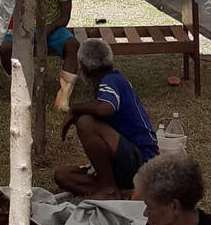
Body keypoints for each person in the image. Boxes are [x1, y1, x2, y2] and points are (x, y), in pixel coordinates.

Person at [54, 39, 158, 199]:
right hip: (124, 164)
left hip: (142, 160)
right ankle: (121, 191)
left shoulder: (112, 80)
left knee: (85, 122)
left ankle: (108, 188)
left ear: (84, 70)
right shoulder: (109, 83)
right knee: (62, 175)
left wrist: (74, 109)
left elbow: (106, 108)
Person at [0, 0, 80, 111]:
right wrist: (22, 28)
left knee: (73, 45)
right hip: (25, 27)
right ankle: (21, 84)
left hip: (52, 28)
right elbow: (11, 8)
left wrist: (49, 28)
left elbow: (65, 17)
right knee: (4, 49)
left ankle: (64, 95)